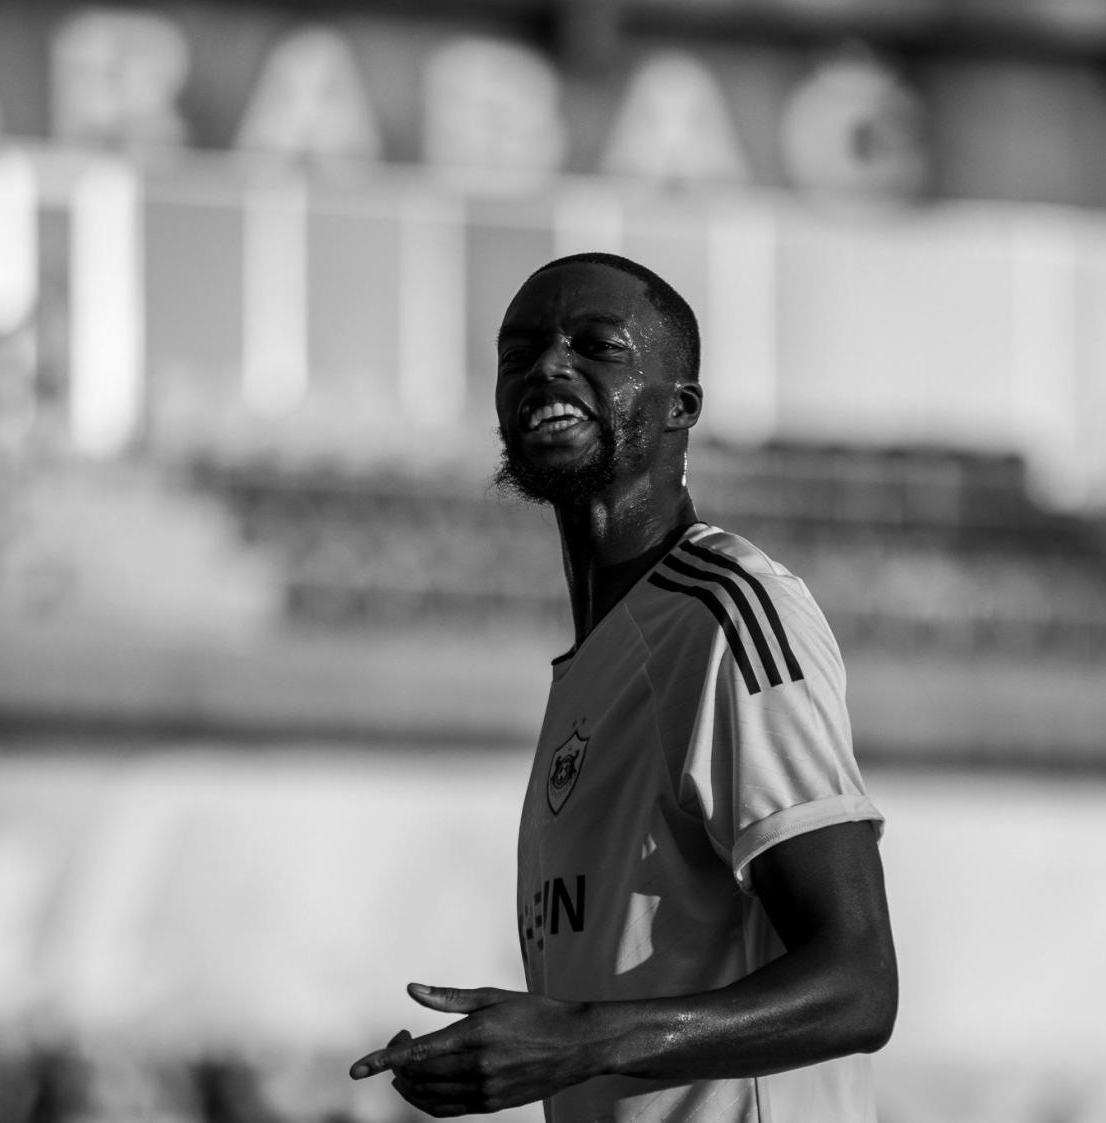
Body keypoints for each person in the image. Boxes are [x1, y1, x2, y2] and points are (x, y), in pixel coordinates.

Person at [349, 253, 897, 1121]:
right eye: (518, 352)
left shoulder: (727, 612)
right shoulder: (596, 661)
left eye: (596, 345)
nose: (547, 366)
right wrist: (524, 1052)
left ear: (681, 404)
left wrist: (576, 1041)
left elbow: (857, 984)